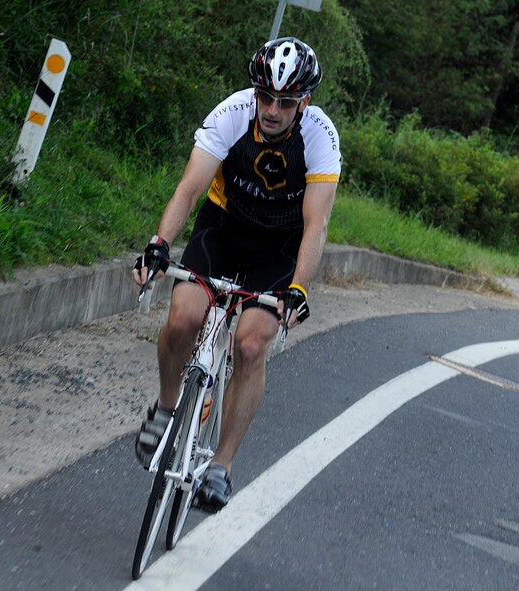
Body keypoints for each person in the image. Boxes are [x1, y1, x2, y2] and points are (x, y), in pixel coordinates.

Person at [131, 37, 341, 512]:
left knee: (249, 344)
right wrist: (160, 245)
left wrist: (297, 291)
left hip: (280, 246)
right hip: (224, 228)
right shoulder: (232, 112)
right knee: (183, 317)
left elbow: (317, 225)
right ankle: (166, 408)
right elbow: (189, 190)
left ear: (303, 102)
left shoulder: (321, 137)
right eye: (265, 97)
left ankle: (221, 465)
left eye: (285, 102)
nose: (271, 109)